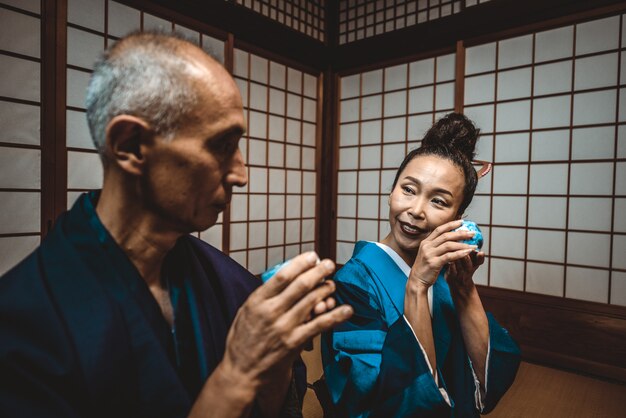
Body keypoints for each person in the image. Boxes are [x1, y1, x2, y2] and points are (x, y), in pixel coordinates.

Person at [0, 31, 353, 418]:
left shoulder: (228, 283)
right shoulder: (25, 321)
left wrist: (275, 365)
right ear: (131, 145)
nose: (241, 174)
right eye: (222, 145)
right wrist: (236, 375)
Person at [321, 113, 520, 418]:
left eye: (438, 201)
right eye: (409, 190)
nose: (415, 211)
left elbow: (487, 381)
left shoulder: (445, 276)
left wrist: (464, 288)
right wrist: (415, 287)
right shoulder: (351, 284)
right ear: (391, 192)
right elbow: (365, 397)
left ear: (458, 217)